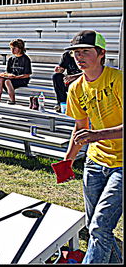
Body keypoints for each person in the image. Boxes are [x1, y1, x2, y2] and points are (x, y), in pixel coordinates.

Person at [61, 30, 123, 264]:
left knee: (98, 227)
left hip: (121, 165)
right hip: (95, 163)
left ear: (101, 53)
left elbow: (90, 133)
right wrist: (67, 162)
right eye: (76, 52)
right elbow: (79, 129)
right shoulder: (75, 88)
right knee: (95, 226)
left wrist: (97, 134)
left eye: (85, 51)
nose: (79, 57)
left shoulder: (118, 80)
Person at [0, 39, 32, 105]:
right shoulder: (11, 59)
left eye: (14, 48)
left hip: (22, 79)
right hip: (12, 78)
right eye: (11, 48)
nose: (12, 50)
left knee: (7, 81)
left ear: (20, 48)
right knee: (0, 79)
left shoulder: (26, 59)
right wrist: (4, 75)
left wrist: (15, 77)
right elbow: (8, 72)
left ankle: (12, 100)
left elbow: (27, 75)